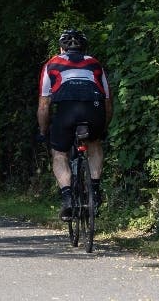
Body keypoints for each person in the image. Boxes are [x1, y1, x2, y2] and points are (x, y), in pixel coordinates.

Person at [37, 29, 112, 221]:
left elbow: (44, 105)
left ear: (61, 48)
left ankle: (68, 199)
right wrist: (103, 128)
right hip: (94, 110)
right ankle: (95, 193)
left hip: (66, 112)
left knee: (59, 154)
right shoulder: (95, 63)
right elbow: (107, 102)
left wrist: (43, 131)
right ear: (84, 48)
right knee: (94, 144)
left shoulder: (51, 64)